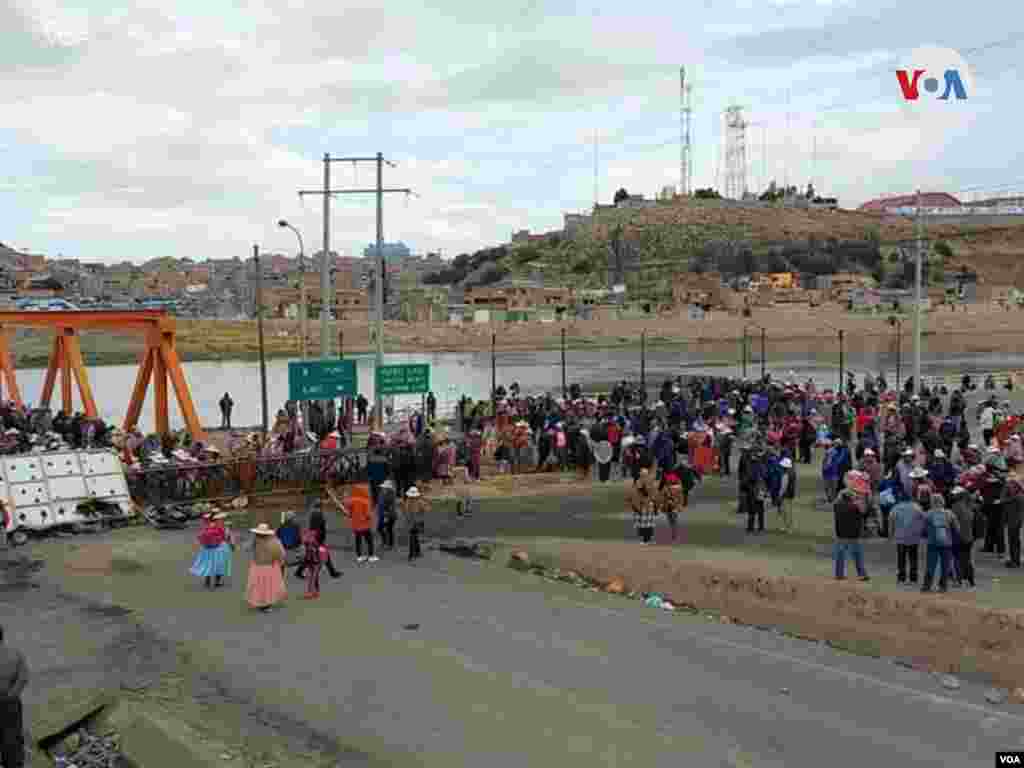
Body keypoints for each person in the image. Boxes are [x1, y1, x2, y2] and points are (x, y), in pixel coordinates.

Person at [0, 625, 28, 768]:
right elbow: (23, 678)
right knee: (12, 739)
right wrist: (11, 696)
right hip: (10, 703)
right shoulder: (15, 654)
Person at [246, 524, 287, 612]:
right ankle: (266, 604)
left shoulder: (256, 540)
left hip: (257, 566)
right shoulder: (274, 541)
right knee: (269, 586)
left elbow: (246, 548)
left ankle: (260, 602)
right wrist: (281, 562)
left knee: (258, 585)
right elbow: (281, 553)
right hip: (270, 566)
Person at [296, 502, 342, 579]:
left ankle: (299, 571)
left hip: (313, 537)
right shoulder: (319, 515)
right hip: (317, 539)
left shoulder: (312, 514)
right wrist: (322, 539)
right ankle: (333, 573)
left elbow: (313, 527)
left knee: (310, 556)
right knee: (324, 555)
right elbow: (320, 529)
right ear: (320, 507)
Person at [833, 487, 869, 581]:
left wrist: (845, 493)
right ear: (851, 498)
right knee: (857, 556)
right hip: (853, 535)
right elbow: (864, 510)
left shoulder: (837, 505)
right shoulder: (855, 506)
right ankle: (862, 574)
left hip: (841, 534)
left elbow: (837, 499)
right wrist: (860, 498)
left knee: (840, 555)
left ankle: (839, 574)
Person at [189, 512, 232, 589]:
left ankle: (207, 581)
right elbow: (227, 538)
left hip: (207, 549)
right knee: (220, 565)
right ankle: (217, 582)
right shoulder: (224, 527)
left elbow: (201, 537)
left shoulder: (207, 526)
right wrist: (232, 546)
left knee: (208, 564)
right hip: (220, 548)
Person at [922, 493, 954, 593]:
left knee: (930, 565)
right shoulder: (949, 513)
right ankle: (943, 586)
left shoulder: (928, 514)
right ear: (942, 501)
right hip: (946, 543)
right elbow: (956, 527)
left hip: (932, 542)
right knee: (945, 565)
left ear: (932, 502)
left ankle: (927, 586)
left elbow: (924, 529)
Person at [890, 494, 925, 584]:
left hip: (900, 537)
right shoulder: (917, 508)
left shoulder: (895, 508)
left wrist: (891, 534)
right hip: (914, 536)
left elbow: (891, 522)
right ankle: (913, 578)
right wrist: (920, 531)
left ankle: (901, 578)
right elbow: (923, 520)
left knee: (901, 558)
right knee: (913, 557)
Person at [950, 486, 977, 587]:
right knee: (967, 559)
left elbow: (952, 522)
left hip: (959, 537)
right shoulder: (969, 506)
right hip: (969, 536)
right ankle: (970, 580)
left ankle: (959, 580)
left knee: (957, 559)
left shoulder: (955, 507)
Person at [403, 486, 428, 561]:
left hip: (414, 522)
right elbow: (426, 509)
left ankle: (413, 554)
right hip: (415, 522)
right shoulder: (418, 501)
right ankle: (416, 553)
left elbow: (406, 511)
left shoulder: (409, 501)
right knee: (414, 537)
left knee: (413, 537)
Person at [377, 479, 398, 550]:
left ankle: (390, 544)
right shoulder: (381, 493)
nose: (383, 488)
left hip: (390, 515)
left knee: (389, 529)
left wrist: (387, 515)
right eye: (384, 487)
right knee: (380, 528)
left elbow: (391, 507)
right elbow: (380, 504)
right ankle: (385, 542)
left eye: (385, 487)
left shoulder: (391, 495)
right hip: (382, 515)